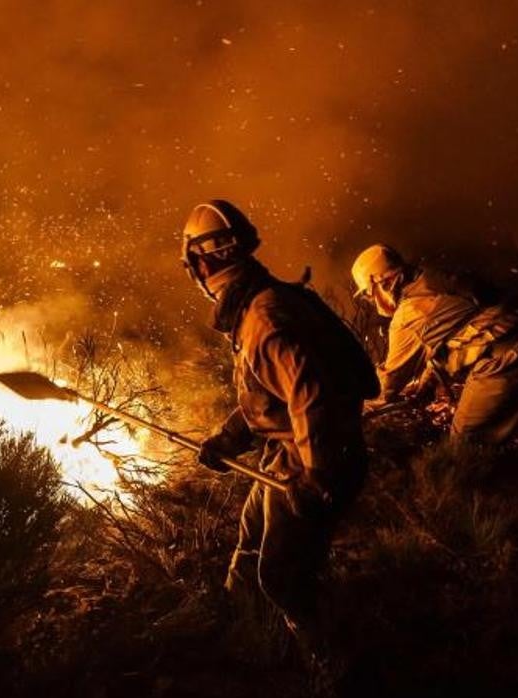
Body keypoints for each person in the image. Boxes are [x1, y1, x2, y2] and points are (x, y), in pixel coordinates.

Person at [182, 200, 379, 665]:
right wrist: (229, 438)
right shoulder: (265, 302)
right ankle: (235, 623)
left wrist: (316, 476)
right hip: (294, 450)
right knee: (251, 534)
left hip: (315, 459)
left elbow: (310, 396)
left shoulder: (263, 320)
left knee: (283, 576)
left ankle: (333, 664)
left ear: (202, 262)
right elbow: (269, 394)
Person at [350, 243, 518, 529]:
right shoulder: (437, 278)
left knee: (463, 448)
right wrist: (426, 381)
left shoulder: (408, 313)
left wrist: (346, 400)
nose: (371, 303)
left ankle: (470, 529)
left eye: (369, 296)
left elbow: (384, 386)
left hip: (509, 356)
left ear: (381, 283)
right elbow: (460, 323)